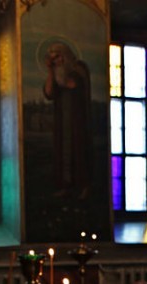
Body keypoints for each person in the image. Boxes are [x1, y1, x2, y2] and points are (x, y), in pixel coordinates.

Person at [43, 41, 92, 200]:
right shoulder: (57, 74)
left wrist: (55, 71)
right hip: (62, 121)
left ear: (65, 56)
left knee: (78, 152)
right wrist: (51, 71)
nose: (56, 62)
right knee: (63, 154)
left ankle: (83, 187)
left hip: (77, 121)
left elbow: (68, 84)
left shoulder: (78, 70)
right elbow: (49, 92)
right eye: (52, 59)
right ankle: (65, 186)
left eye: (57, 58)